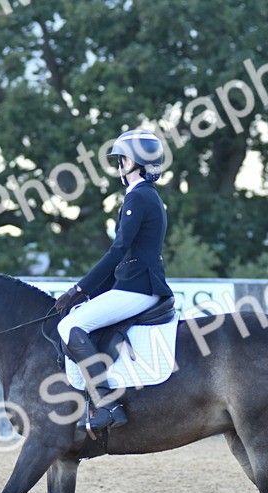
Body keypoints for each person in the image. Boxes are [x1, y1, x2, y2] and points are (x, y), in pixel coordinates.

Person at [54, 129, 173, 433]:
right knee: (79, 320)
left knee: (69, 326)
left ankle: (106, 403)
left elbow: (119, 250)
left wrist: (79, 289)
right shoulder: (145, 196)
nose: (120, 164)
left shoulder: (140, 196)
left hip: (139, 287)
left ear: (136, 161)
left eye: (122, 158)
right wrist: (89, 293)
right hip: (134, 284)